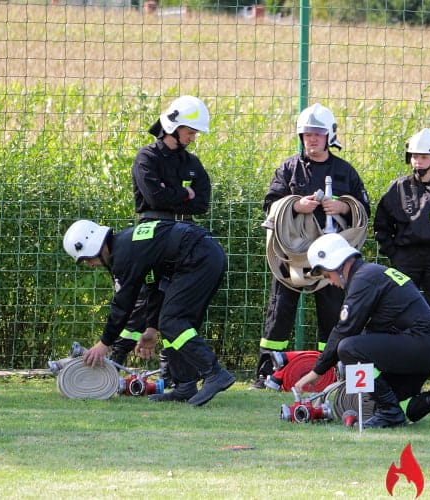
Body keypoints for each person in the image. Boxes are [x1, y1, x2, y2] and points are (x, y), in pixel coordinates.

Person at [293, 233, 430, 429]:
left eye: (328, 275)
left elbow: (345, 330)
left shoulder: (363, 279)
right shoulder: (374, 273)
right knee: (392, 403)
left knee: (348, 348)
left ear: (336, 264)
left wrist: (317, 372)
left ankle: (390, 413)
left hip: (419, 344)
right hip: (428, 348)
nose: (331, 282)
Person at [252, 103, 371, 389]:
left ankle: (329, 373)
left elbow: (364, 209)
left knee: (332, 314)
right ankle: (267, 373)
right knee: (279, 311)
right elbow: (270, 205)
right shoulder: (288, 168)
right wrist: (295, 206)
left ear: (329, 135)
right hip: (292, 257)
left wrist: (343, 206)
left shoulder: (345, 172)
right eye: (307, 134)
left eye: (317, 134)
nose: (312, 139)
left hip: (332, 259)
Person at [62, 219, 235, 406]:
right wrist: (151, 329)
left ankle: (215, 373)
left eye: (88, 259)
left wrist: (104, 343)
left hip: (199, 257)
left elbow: (123, 304)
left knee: (172, 321)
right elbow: (155, 288)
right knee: (171, 323)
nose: (90, 265)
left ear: (94, 245)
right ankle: (185, 385)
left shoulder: (124, 256)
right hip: (203, 254)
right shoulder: (129, 245)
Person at [108, 95, 212, 376]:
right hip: (152, 236)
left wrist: (172, 193)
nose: (193, 137)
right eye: (190, 132)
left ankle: (170, 372)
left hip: (183, 239)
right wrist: (183, 194)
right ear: (173, 127)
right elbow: (153, 196)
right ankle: (113, 362)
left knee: (173, 302)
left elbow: (202, 203)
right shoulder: (147, 158)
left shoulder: (192, 163)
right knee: (143, 300)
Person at [373, 128, 430, 384]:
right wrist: (394, 254)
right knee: (401, 312)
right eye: (414, 156)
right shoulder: (398, 188)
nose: (418, 161)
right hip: (406, 259)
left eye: (424, 156)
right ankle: (400, 368)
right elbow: (381, 225)